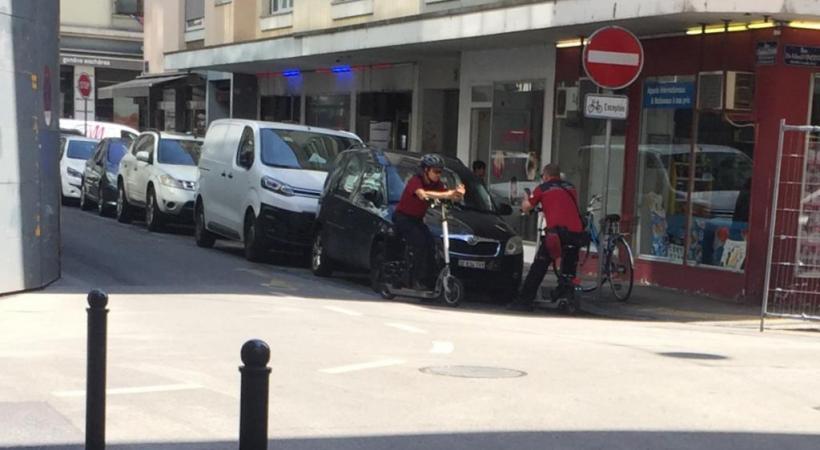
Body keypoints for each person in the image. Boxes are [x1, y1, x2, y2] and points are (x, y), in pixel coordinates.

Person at [508, 163, 585, 311]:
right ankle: (565, 291)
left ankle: (524, 301)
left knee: (539, 266)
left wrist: (526, 198)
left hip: (557, 234)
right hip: (576, 233)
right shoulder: (571, 187)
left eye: (543, 176)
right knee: (569, 266)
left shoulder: (543, 188)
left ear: (546, 176)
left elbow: (527, 207)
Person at [394, 154, 466, 290]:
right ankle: (415, 279)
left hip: (417, 219)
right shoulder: (415, 181)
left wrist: (458, 194)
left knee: (431, 244)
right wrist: (449, 194)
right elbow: (423, 195)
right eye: (436, 171)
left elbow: (449, 197)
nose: (438, 175)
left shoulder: (437, 185)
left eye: (440, 172)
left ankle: (429, 279)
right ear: (426, 170)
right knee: (420, 243)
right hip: (403, 217)